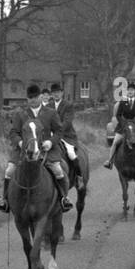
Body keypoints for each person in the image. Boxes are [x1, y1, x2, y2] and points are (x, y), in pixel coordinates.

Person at [0, 82, 49, 213]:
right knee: (9, 171)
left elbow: (58, 131)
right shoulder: (20, 114)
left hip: (45, 149)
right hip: (22, 151)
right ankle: (5, 200)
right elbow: (13, 132)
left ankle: (63, 198)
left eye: (35, 97)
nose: (33, 100)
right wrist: (19, 142)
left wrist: (51, 142)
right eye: (30, 98)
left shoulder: (50, 112)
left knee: (58, 169)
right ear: (27, 99)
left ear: (40, 97)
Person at [42, 81, 80, 210]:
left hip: (66, 135)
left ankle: (78, 177)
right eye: (54, 93)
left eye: (58, 92)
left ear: (62, 93)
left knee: (71, 153)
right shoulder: (48, 105)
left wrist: (56, 131)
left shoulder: (68, 105)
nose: (56, 94)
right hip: (51, 136)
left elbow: (67, 122)